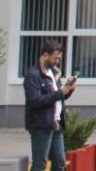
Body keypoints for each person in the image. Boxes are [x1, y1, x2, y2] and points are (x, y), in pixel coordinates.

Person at [24, 39, 77, 171]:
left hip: (56, 123)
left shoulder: (52, 73)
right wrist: (60, 93)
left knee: (60, 163)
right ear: (45, 55)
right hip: (41, 125)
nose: (57, 62)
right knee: (40, 164)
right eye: (55, 58)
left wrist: (68, 90)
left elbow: (57, 98)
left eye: (59, 59)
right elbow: (35, 101)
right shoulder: (33, 75)